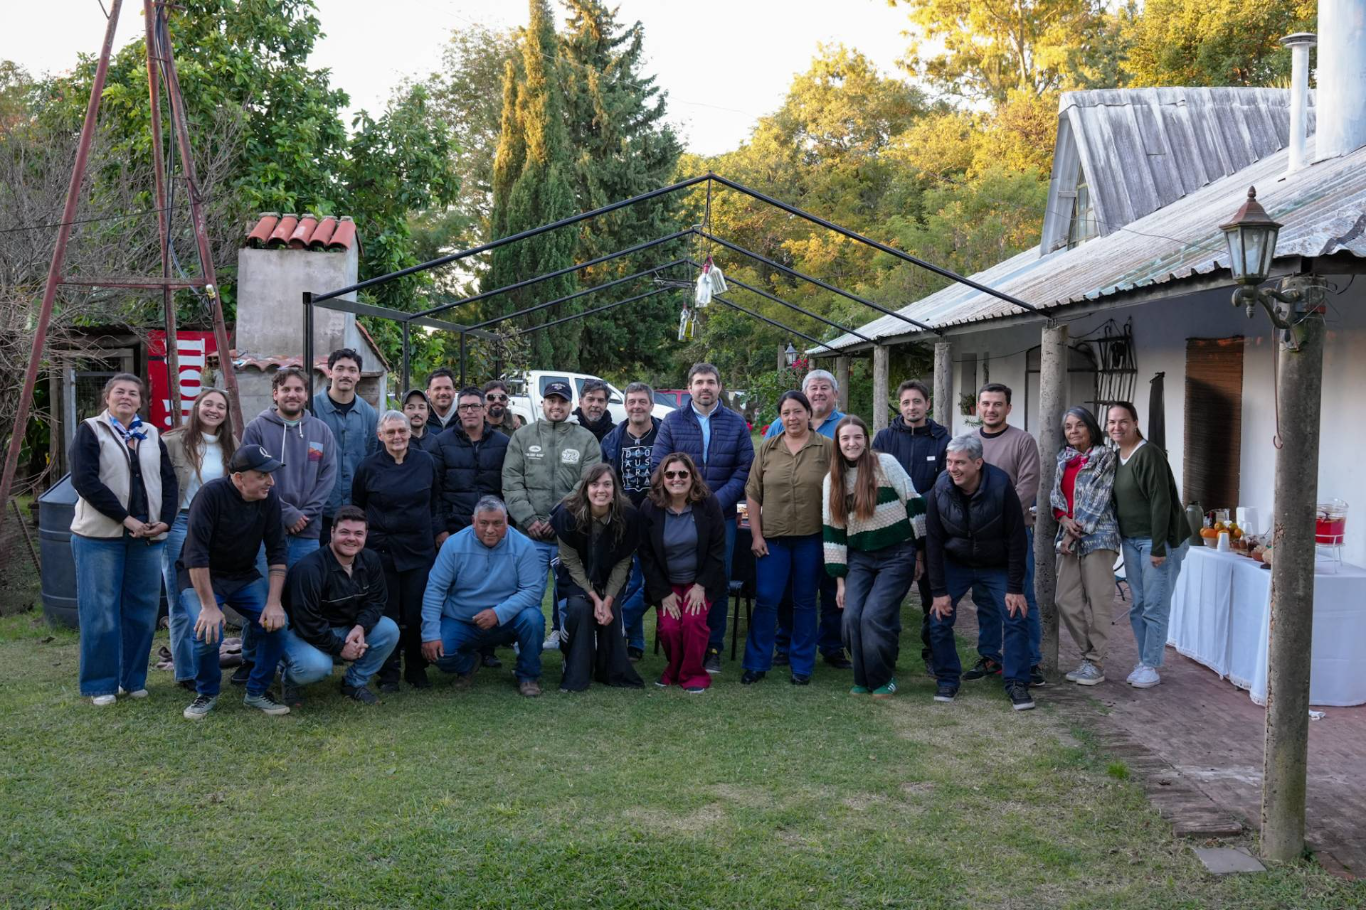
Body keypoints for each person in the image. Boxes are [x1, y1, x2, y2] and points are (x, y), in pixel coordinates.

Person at [69, 373, 178, 706]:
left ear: (141, 401)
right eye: (120, 392)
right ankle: (101, 684)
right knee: (100, 610)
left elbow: (169, 482)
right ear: (107, 397)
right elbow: (84, 481)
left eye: (134, 393)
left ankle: (133, 680)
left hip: (146, 538)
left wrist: (165, 522)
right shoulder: (90, 430)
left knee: (142, 611)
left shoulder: (150, 433)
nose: (127, 397)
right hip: (100, 537)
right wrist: (125, 518)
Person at [237, 367, 337, 685]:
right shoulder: (256, 428)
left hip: (307, 533)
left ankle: (286, 660)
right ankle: (251, 660)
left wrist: (304, 514)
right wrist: (285, 513)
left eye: (298, 389)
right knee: (262, 599)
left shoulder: (321, 431)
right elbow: (249, 476)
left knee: (296, 599)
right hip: (264, 531)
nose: (292, 394)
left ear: (306, 394)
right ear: (275, 393)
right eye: (286, 389)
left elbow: (328, 478)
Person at [652, 363, 754, 673]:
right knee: (679, 576)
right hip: (679, 513)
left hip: (721, 515)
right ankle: (682, 641)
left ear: (719, 387)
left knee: (716, 579)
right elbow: (660, 464)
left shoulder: (736, 423)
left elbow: (744, 469)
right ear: (690, 387)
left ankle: (712, 647)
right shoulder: (672, 422)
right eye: (699, 382)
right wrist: (687, 500)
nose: (705, 387)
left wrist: (713, 501)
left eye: (710, 382)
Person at [177, 445, 291, 719]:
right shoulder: (210, 496)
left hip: (242, 575)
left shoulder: (270, 499)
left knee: (277, 625)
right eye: (263, 475)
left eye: (271, 475)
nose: (271, 481)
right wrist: (209, 606)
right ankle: (207, 692)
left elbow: (277, 551)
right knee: (207, 630)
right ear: (239, 478)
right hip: (200, 577)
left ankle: (256, 692)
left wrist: (274, 603)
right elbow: (196, 556)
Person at [924, 434, 1034, 711]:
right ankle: (947, 678)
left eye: (960, 462)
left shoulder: (1000, 486)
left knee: (1016, 614)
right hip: (956, 563)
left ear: (978, 463)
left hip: (995, 563)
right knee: (938, 618)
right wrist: (938, 592)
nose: (953, 468)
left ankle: (1016, 682)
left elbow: (1016, 538)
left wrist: (1015, 587)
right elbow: (933, 542)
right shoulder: (940, 488)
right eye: (949, 462)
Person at [823, 415, 926, 698]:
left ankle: (882, 678)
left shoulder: (885, 464)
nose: (852, 443)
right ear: (838, 443)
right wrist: (840, 582)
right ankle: (863, 678)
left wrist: (919, 553)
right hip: (860, 558)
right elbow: (833, 531)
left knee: (873, 616)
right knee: (851, 617)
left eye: (858, 437)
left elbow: (914, 502)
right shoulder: (832, 480)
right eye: (845, 438)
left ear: (866, 440)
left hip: (897, 554)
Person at [741, 391, 833, 686]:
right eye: (786, 413)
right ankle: (757, 663)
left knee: (806, 601)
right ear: (780, 418)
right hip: (772, 540)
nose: (792, 418)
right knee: (767, 599)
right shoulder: (768, 449)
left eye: (797, 411)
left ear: (808, 413)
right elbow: (753, 494)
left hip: (811, 539)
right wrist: (756, 535)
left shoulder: (827, 448)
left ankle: (802, 665)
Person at [502, 380, 602, 649]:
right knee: (528, 594)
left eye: (562, 401)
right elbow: (511, 481)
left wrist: (555, 521)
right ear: (542, 403)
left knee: (569, 594)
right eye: (551, 401)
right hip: (529, 535)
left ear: (571, 406)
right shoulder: (523, 436)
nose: (556, 406)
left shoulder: (586, 440)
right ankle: (526, 644)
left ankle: (567, 642)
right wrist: (528, 519)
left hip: (568, 535)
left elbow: (585, 486)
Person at [762, 369, 849, 670]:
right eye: (813, 388)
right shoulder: (778, 425)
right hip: (786, 524)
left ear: (835, 395)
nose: (819, 392)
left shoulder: (843, 427)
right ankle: (785, 645)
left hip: (826, 525)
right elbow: (766, 468)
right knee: (791, 591)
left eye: (825, 388)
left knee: (829, 587)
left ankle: (832, 646)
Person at [351, 410, 442, 692]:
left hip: (419, 549)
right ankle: (388, 673)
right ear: (380, 436)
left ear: (409, 433)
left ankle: (416, 668)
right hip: (382, 551)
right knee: (386, 614)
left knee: (416, 613)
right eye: (390, 432)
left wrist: (440, 536)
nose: (397, 437)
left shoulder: (426, 462)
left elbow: (435, 504)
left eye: (402, 431)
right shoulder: (368, 467)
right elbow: (358, 507)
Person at [420, 496, 547, 697]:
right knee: (439, 654)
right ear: (473, 521)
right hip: (461, 620)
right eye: (484, 523)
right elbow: (435, 589)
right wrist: (430, 634)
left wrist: (498, 613)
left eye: (497, 523)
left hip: (506, 621)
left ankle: (528, 675)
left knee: (532, 619)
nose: (490, 530)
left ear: (507, 521)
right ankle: (469, 663)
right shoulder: (453, 545)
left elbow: (532, 590)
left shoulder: (523, 545)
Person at [1107, 401, 1192, 689]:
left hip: (1158, 543)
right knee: (1138, 604)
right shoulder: (1117, 456)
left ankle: (1151, 665)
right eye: (1111, 422)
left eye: (1123, 421)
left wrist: (1158, 547)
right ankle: (1144, 660)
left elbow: (1161, 501)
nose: (1117, 427)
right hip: (1132, 542)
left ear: (1135, 422)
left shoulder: (1149, 454)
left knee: (1154, 605)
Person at [278, 505, 399, 706]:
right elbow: (307, 621)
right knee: (317, 667)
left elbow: (376, 601)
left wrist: (361, 627)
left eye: (358, 533)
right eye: (345, 532)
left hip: (346, 627)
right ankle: (289, 679)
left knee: (389, 630)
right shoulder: (310, 569)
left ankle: (354, 683)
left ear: (366, 535)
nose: (351, 538)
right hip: (302, 633)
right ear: (332, 532)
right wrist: (340, 648)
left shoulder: (370, 559)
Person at [161, 387, 238, 690]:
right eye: (208, 404)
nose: (214, 410)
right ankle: (186, 671)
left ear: (226, 414)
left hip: (216, 528)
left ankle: (206, 660)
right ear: (197, 407)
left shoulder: (232, 445)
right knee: (180, 598)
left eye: (220, 406)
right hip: (180, 523)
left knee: (209, 596)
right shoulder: (172, 442)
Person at [873, 379, 950, 676]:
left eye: (917, 401)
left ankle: (934, 654)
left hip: (932, 529)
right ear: (900, 405)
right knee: (889, 597)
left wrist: (918, 505)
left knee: (934, 595)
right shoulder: (884, 438)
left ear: (927, 404)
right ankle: (885, 654)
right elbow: (875, 479)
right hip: (891, 529)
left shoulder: (943, 439)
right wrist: (900, 509)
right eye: (906, 402)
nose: (911, 407)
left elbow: (945, 483)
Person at [970, 383, 1045, 687]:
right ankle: (990, 655)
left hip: (1014, 533)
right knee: (985, 596)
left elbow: (1027, 487)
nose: (991, 409)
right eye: (986, 403)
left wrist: (996, 519)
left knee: (1023, 595)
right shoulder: (968, 441)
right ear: (978, 407)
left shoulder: (1023, 442)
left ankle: (1030, 661)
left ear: (1008, 408)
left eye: (997, 404)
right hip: (976, 537)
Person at [432, 387, 511, 670]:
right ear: (458, 409)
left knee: (492, 586)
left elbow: (507, 487)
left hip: (494, 530)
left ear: (483, 409)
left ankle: (488, 647)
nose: (469, 411)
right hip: (455, 528)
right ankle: (461, 642)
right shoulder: (441, 443)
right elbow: (435, 491)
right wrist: (441, 530)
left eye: (474, 406)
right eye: (463, 406)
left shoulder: (502, 443)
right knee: (459, 588)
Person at [550, 464, 644, 692]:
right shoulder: (567, 514)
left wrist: (608, 600)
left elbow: (623, 562)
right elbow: (570, 561)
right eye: (594, 484)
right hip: (576, 574)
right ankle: (575, 669)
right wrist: (595, 597)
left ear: (615, 489)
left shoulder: (629, 516)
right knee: (580, 607)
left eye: (607, 484)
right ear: (585, 489)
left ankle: (610, 670)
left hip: (611, 574)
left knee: (611, 614)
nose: (600, 490)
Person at [638, 453, 727, 693]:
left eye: (682, 474)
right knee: (668, 627)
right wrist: (663, 592)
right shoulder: (650, 507)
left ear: (692, 477)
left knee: (693, 621)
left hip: (699, 581)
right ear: (662, 479)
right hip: (667, 583)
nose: (676, 479)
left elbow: (718, 548)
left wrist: (701, 586)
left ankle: (692, 674)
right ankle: (675, 668)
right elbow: (645, 554)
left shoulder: (708, 503)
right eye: (670, 474)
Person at [1049, 407, 1121, 687]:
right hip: (1068, 533)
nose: (1073, 431)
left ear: (1091, 428)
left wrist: (1072, 532)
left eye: (1080, 425)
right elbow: (1056, 495)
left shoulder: (1104, 457)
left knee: (1098, 601)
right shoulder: (1063, 458)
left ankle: (1095, 663)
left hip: (1098, 537)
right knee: (1064, 599)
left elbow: (1097, 498)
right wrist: (1063, 519)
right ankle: (1089, 656)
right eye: (1068, 427)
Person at [601, 381, 661, 659]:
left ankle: (620, 621)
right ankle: (635, 644)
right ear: (625, 406)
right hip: (623, 520)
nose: (637, 406)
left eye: (642, 401)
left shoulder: (664, 433)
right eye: (632, 401)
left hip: (657, 519)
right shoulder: (612, 439)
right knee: (628, 581)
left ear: (650, 404)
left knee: (651, 581)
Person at [312, 348, 379, 543]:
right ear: (330, 372)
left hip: (355, 509)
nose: (345, 374)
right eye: (340, 368)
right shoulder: (311, 409)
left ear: (358, 376)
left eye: (352, 370)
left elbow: (371, 459)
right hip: (318, 509)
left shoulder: (369, 414)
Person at [402, 388, 441, 455]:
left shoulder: (437, 443)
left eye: (421, 407)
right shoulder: (396, 442)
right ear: (402, 412)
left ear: (428, 412)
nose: (416, 412)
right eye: (410, 407)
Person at [426, 368, 460, 433]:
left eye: (447, 388)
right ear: (428, 393)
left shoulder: (465, 414)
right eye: (437, 388)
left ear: (454, 392)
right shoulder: (421, 416)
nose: (443, 393)